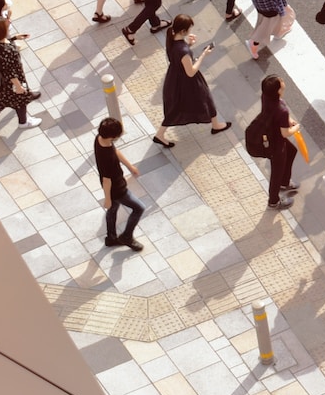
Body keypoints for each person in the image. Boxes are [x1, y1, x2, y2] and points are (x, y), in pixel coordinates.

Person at [155, 15, 229, 145]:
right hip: (188, 83)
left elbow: (178, 57)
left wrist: (188, 44)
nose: (190, 30)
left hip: (174, 79)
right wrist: (203, 55)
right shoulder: (183, 50)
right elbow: (190, 72)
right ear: (183, 31)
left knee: (175, 108)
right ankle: (215, 125)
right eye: (189, 28)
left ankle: (160, 134)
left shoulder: (172, 39)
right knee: (207, 99)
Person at [91, 116, 146, 250]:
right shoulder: (107, 157)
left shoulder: (100, 139)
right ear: (112, 136)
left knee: (113, 210)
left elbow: (114, 150)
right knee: (139, 208)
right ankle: (126, 236)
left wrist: (129, 166)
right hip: (117, 189)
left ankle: (111, 238)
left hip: (114, 187)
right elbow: (106, 180)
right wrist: (107, 198)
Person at [256, 76, 302, 209]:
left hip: (270, 133)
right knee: (277, 170)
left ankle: (285, 182)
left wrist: (288, 120)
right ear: (278, 91)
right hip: (276, 142)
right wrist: (296, 127)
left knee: (292, 151)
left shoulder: (265, 96)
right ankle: (273, 201)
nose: (283, 83)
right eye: (281, 83)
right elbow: (285, 133)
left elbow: (280, 117)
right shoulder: (281, 110)